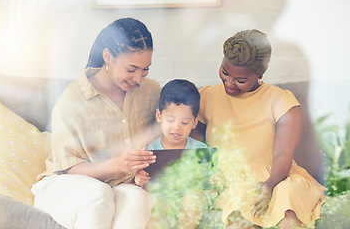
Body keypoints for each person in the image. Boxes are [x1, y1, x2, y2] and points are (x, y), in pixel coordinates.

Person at [31, 18, 161, 229]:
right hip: (67, 184)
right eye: (131, 69)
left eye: (146, 69)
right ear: (108, 57)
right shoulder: (73, 99)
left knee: (139, 199)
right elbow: (68, 168)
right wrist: (118, 164)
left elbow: (171, 127)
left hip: (121, 185)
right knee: (98, 194)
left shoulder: (151, 91)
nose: (138, 77)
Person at [191, 29, 327, 229]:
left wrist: (268, 187)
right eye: (224, 72)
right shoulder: (206, 97)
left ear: (260, 74)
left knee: (289, 205)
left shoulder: (280, 100)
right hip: (233, 183)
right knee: (241, 213)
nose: (229, 83)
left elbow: (283, 152)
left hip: (279, 178)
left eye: (241, 80)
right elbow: (193, 146)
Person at [142, 79, 209, 229]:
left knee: (194, 198)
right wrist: (140, 179)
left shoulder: (200, 149)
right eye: (170, 120)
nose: (176, 128)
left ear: (194, 123)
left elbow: (206, 184)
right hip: (162, 200)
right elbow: (146, 184)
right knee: (156, 208)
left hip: (189, 199)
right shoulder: (150, 149)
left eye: (185, 123)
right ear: (159, 116)